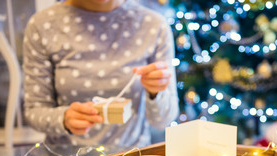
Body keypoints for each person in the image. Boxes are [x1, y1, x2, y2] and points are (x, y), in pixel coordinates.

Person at [22, 0, 179, 148]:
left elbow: (163, 119)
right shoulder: (42, 25)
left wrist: (155, 92)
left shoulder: (153, 25)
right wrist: (63, 119)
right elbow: (34, 110)